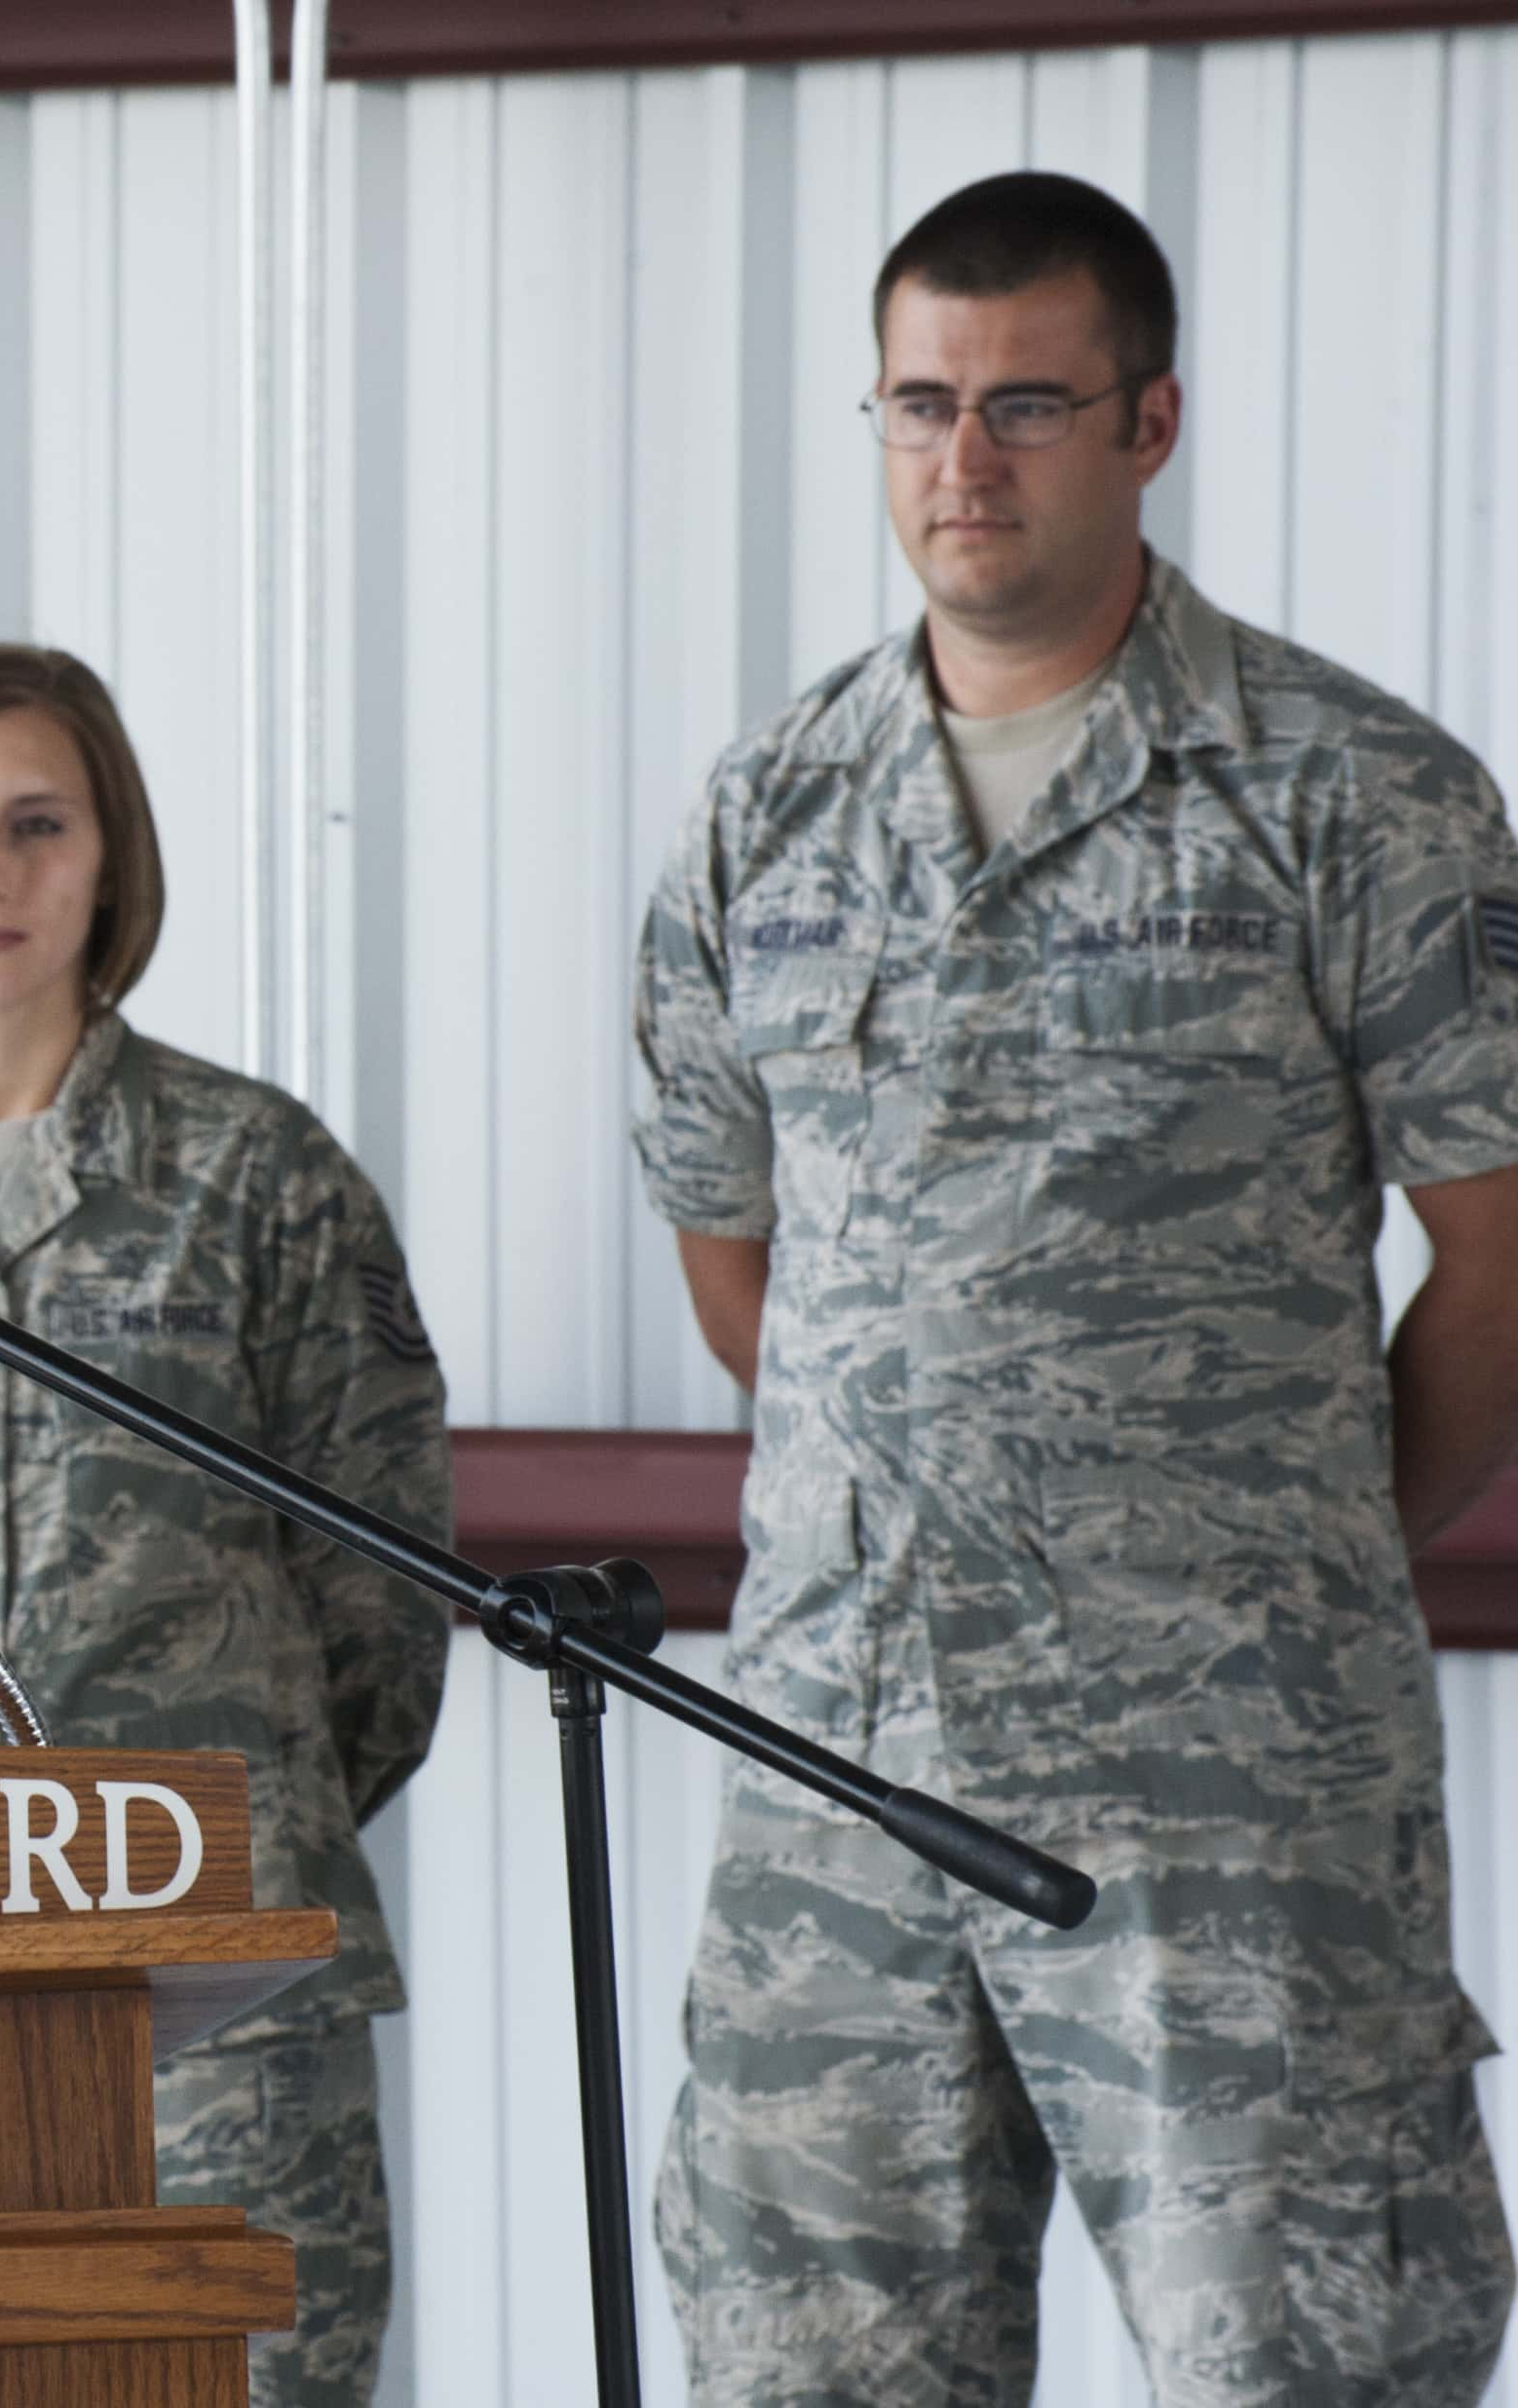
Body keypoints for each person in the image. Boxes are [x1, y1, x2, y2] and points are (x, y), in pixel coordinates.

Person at [635, 169, 1518, 2405]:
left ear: (1150, 422)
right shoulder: (768, 815)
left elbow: (1502, 1259)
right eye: (919, 403)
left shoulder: (1356, 797)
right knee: (810, 2375)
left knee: (1301, 2368)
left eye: (1026, 403)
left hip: (1229, 1804)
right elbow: (748, 1278)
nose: (963, 460)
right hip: (835, 1774)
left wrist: (1254, 1550)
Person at [0, 643, 451, 2404]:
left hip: (208, 1965)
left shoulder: (260, 1176)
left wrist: (216, 1804)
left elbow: (381, 1595)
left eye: (39, 824)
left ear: (111, 857)